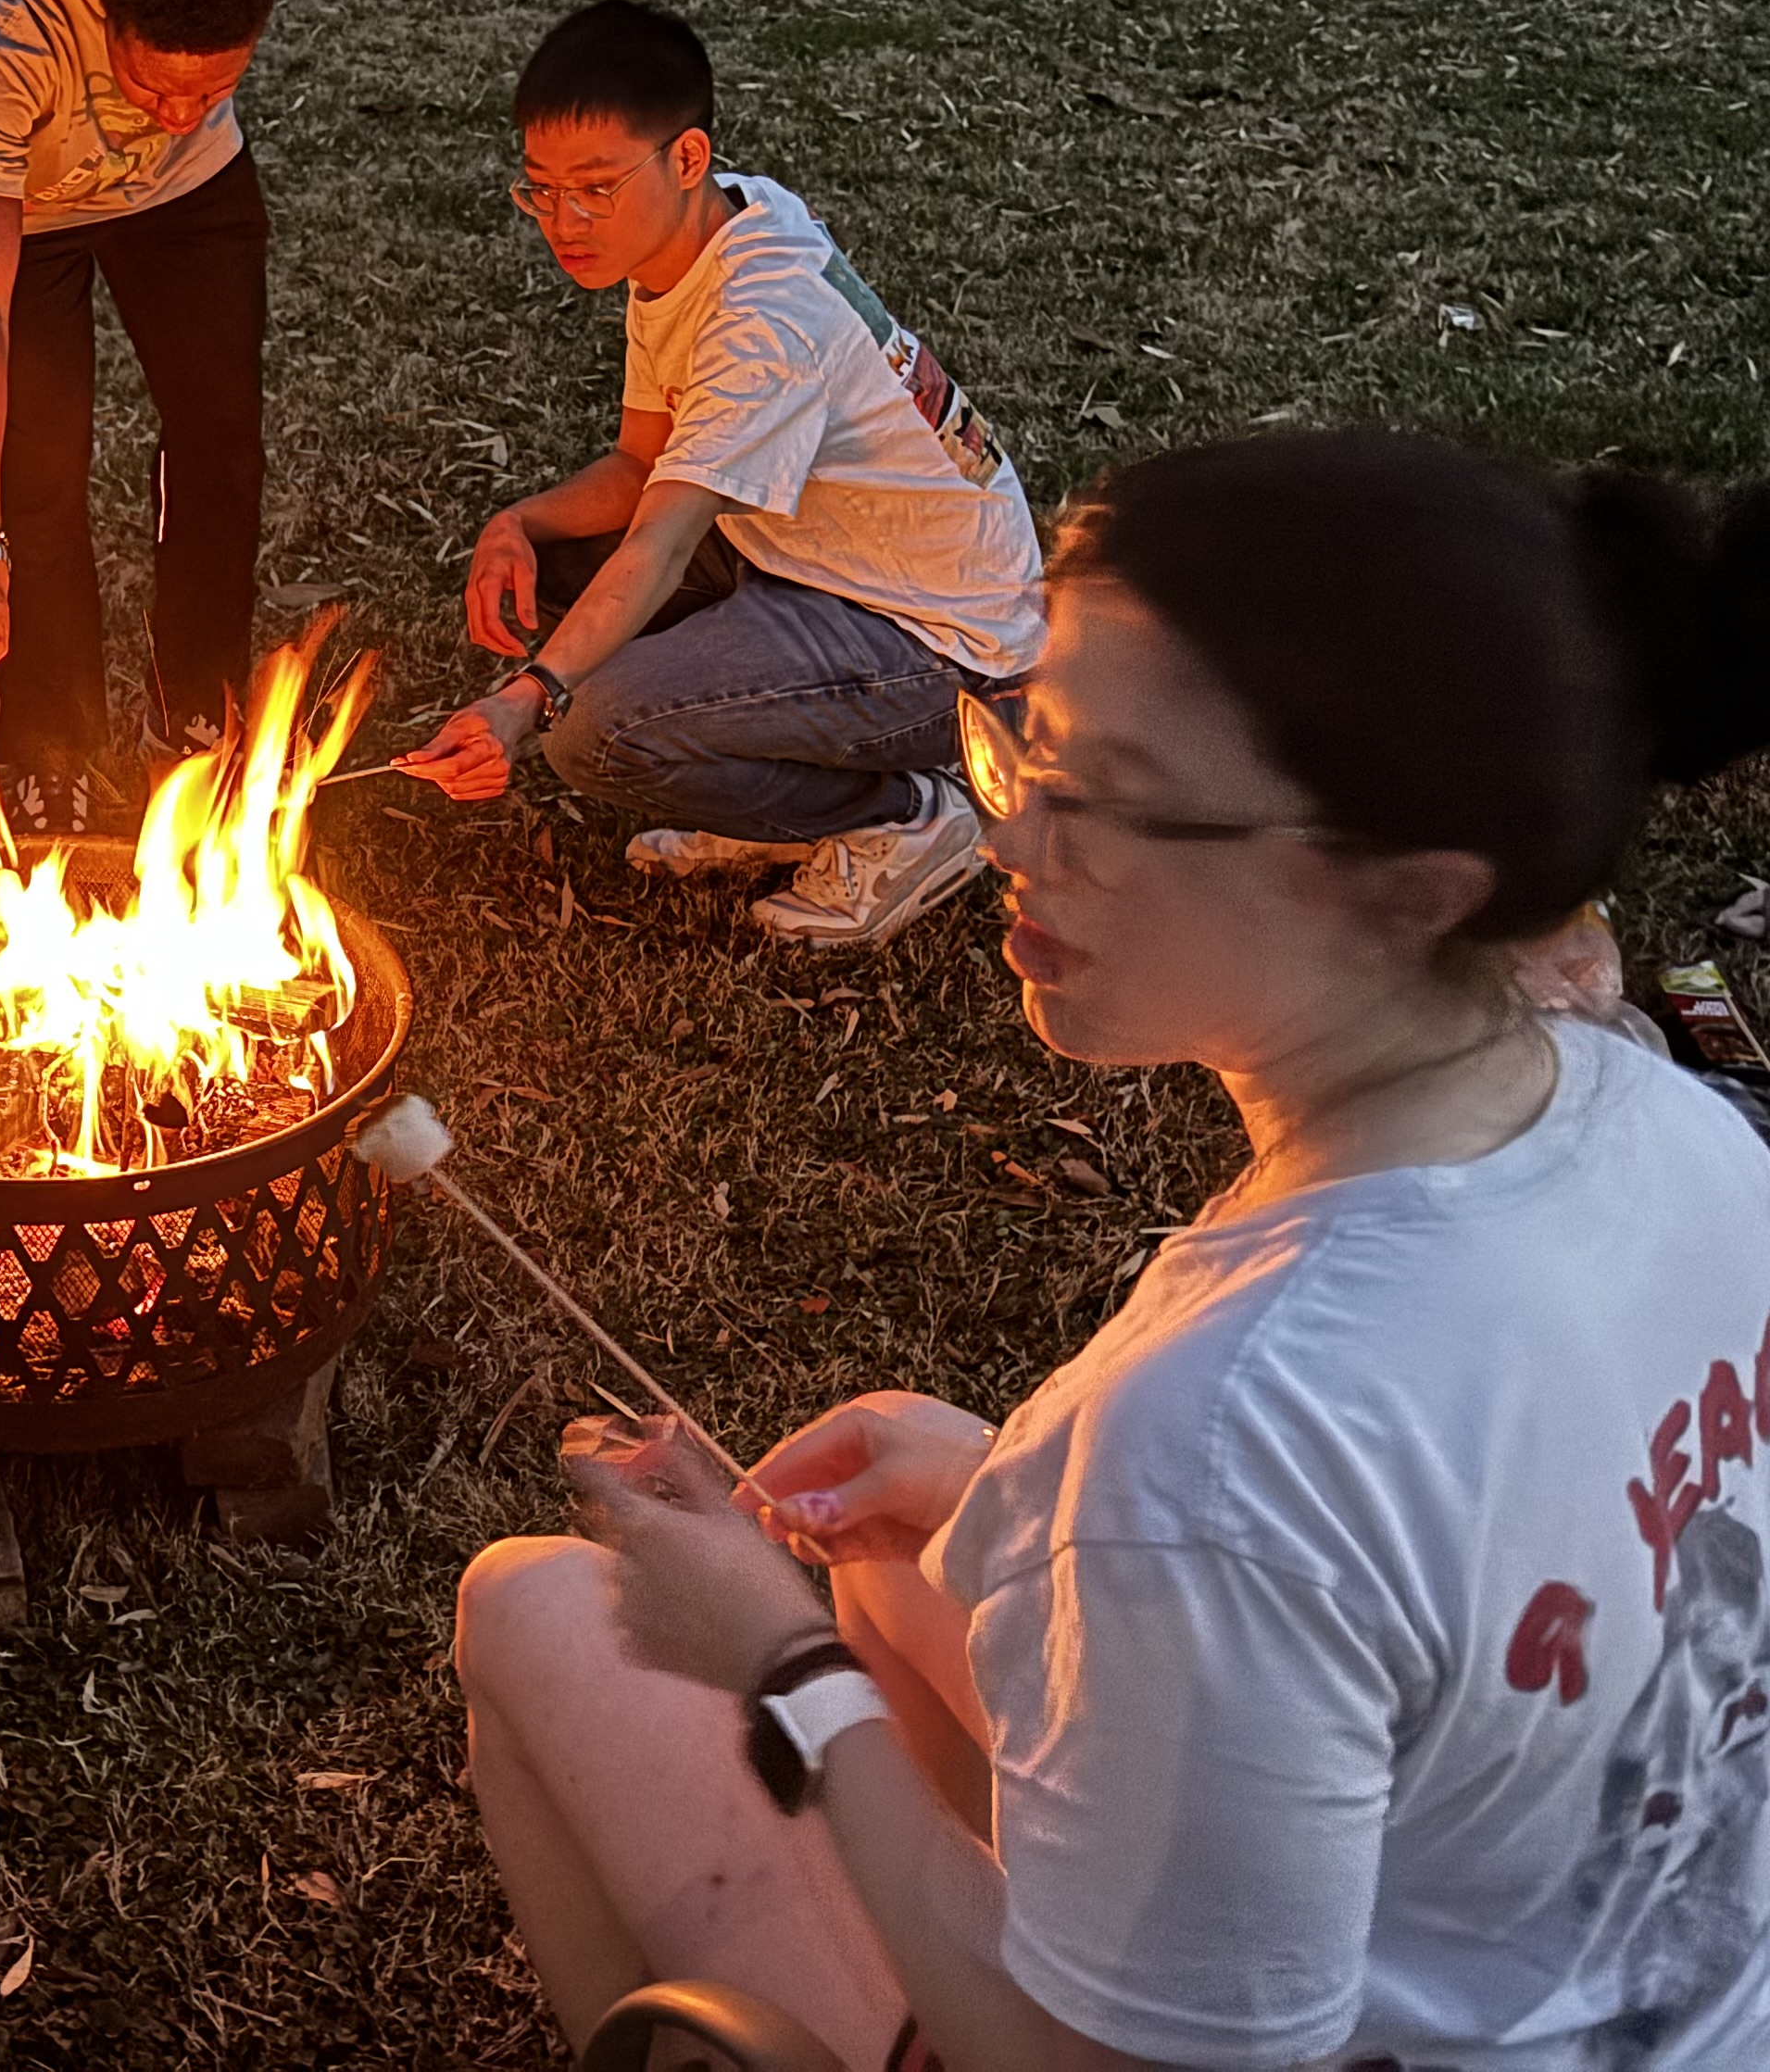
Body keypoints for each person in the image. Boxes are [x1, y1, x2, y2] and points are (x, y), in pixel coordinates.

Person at [450, 430, 1770, 2070]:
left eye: (1106, 803)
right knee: (896, 1547)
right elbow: (1409, 1537)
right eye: (1025, 751)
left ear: (1402, 891)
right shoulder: (1678, 1130)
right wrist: (1024, 1489)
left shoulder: (1219, 1440)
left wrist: (790, 1672)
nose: (1013, 842)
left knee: (532, 1607)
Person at [405, 0, 1042, 950]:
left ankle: (908, 814)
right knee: (566, 564)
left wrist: (523, 699)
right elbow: (640, 464)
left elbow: (661, 544)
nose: (564, 222)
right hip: (822, 565)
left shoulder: (763, 326)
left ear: (688, 158)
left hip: (940, 646)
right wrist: (521, 523)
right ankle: (766, 779)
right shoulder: (704, 225)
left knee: (592, 729)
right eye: (541, 189)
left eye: (594, 189)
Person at [0, 0, 341, 834]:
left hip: (186, 197)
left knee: (220, 437)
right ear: (103, 5)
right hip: (27, 194)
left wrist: (193, 111)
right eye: (153, 83)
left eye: (216, 84)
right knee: (38, 462)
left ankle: (193, 713)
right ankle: (49, 746)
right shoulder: (11, 6)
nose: (179, 109)